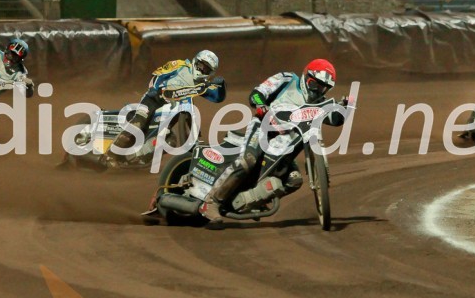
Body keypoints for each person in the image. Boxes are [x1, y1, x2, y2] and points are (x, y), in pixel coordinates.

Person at [200, 59, 348, 221]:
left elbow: (335, 120)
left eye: (323, 87)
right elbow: (257, 93)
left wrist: (343, 109)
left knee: (294, 180)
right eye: (315, 84)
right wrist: (260, 104)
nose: (317, 91)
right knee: (248, 160)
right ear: (306, 77)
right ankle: (211, 202)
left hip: (285, 144)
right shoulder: (286, 79)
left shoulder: (319, 103)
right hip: (263, 127)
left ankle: (253, 200)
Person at [108, 50, 226, 165]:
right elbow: (158, 74)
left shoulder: (201, 84)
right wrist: (153, 89)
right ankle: (110, 154)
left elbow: (216, 98)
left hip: (174, 106)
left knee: (170, 141)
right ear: (196, 61)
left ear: (210, 72)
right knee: (138, 124)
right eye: (201, 65)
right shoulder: (180, 65)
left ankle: (137, 157)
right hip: (154, 99)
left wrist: (221, 86)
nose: (202, 69)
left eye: (206, 69)